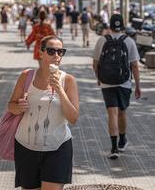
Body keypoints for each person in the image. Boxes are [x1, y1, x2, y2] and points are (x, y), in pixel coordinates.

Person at [9, 35, 79, 190]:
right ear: (41, 53)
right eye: (51, 51)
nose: (56, 55)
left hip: (58, 146)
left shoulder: (68, 81)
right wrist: (18, 107)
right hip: (26, 147)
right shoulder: (26, 76)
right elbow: (11, 106)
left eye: (60, 52)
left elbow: (73, 118)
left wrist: (60, 91)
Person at [92, 14, 141, 160]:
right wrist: (138, 86)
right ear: (123, 25)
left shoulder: (102, 40)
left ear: (110, 26)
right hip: (124, 83)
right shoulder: (130, 41)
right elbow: (135, 66)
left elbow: (95, 64)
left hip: (107, 83)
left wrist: (99, 78)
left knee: (111, 114)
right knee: (122, 112)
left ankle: (113, 148)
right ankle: (122, 141)